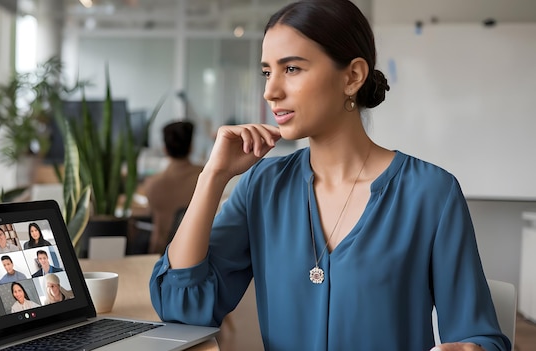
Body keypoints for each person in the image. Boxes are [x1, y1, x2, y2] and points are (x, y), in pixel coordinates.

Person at [149, 1, 511, 351]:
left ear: (352, 76)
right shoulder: (262, 186)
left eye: (291, 69)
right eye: (267, 71)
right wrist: (213, 176)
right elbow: (181, 307)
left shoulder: (431, 193)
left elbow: (480, 336)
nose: (270, 91)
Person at [141, 121, 203, 254]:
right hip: (194, 252)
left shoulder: (152, 183)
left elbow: (148, 212)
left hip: (160, 253)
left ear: (165, 149)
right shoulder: (205, 177)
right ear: (191, 147)